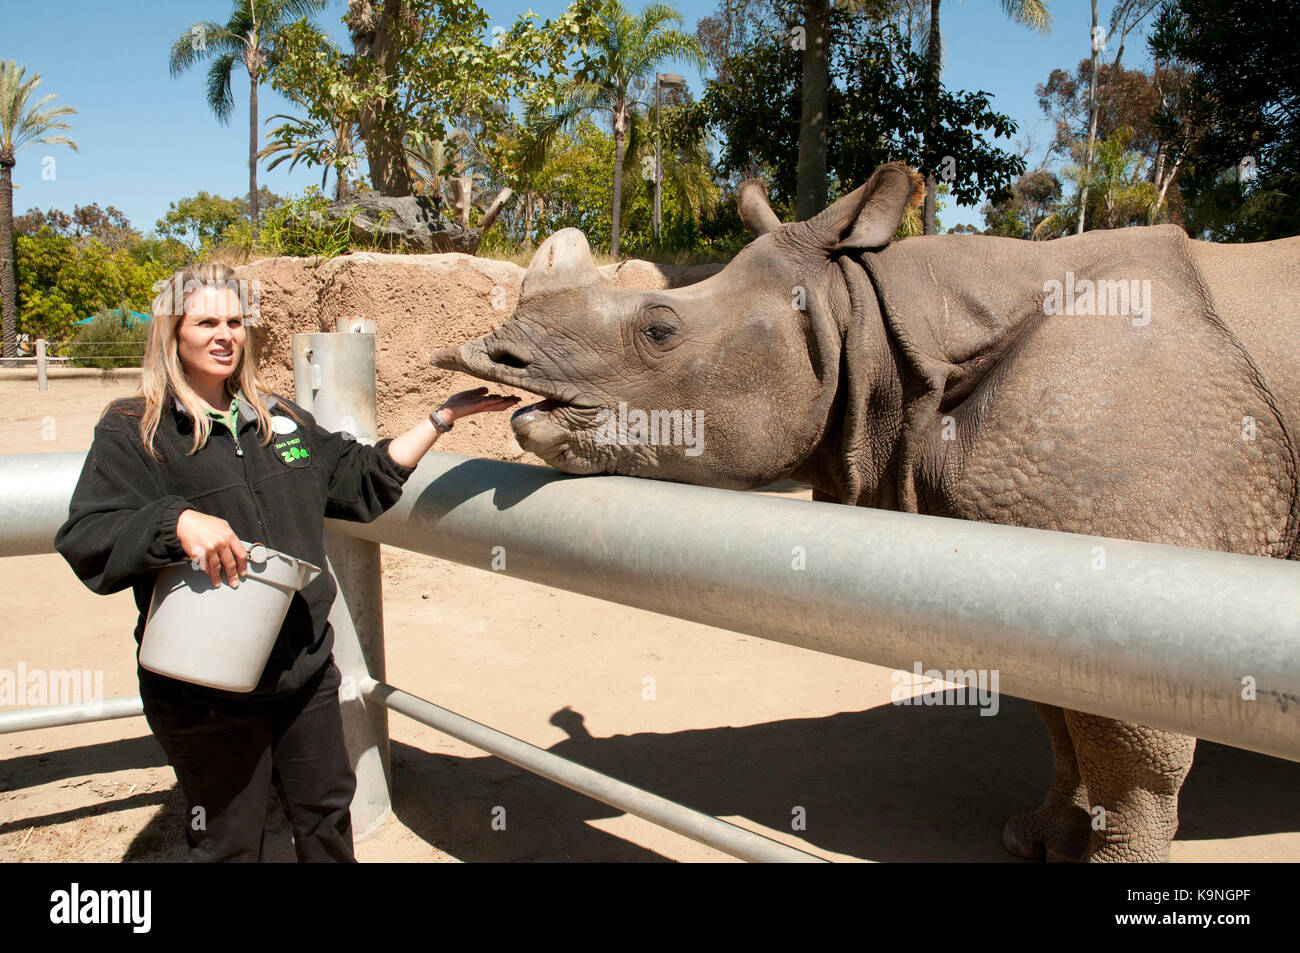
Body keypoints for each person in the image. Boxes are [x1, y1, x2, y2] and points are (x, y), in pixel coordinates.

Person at [54, 263, 518, 862]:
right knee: (229, 841)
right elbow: (88, 534)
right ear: (171, 333)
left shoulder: (281, 420)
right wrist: (173, 522)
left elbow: (358, 476)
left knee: (326, 815)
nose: (225, 335)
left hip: (302, 669)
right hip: (205, 683)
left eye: (235, 321)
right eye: (206, 322)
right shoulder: (134, 431)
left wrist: (442, 418)